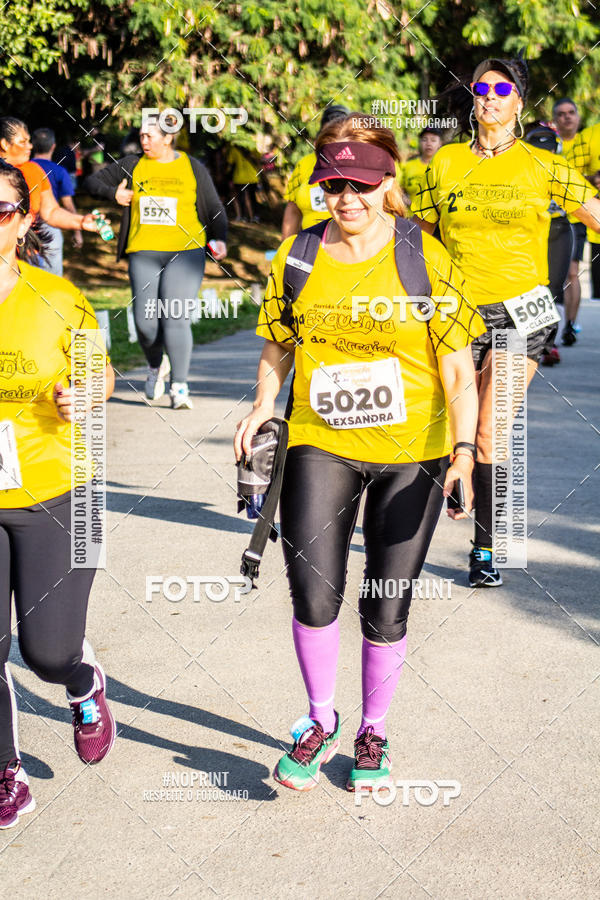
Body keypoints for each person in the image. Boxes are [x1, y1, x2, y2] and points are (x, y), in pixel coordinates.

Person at [234, 117, 485, 793]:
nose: (347, 198)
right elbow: (277, 345)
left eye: (362, 184)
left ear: (389, 184)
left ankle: (374, 729)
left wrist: (463, 451)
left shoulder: (424, 257)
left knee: (386, 601)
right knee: (315, 594)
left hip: (416, 453)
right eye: (334, 184)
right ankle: (320, 720)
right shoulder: (297, 256)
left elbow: (458, 366)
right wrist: (263, 404)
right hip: (322, 442)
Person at [414, 58, 600, 588]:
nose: (490, 96)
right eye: (481, 88)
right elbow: (419, 236)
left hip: (524, 312)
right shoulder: (445, 163)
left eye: (502, 89)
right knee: (454, 432)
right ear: (473, 100)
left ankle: (486, 549)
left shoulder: (542, 165)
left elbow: (594, 211)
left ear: (520, 101)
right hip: (455, 313)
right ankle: (445, 498)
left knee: (491, 430)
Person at [0, 161, 116, 828]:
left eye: (1, 210)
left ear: (22, 221)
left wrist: (83, 396)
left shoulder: (58, 297)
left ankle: (80, 682)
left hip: (61, 489)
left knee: (46, 651)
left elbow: (97, 375)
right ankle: (5, 772)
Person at [85, 113, 227, 410]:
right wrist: (115, 193)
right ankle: (155, 365)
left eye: (150, 136)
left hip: (185, 252)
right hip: (144, 251)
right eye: (142, 136)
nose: (144, 141)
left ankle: (179, 386)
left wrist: (220, 237)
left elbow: (214, 207)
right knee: (145, 323)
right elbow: (92, 181)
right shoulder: (133, 164)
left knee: (176, 316)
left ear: (168, 137)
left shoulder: (192, 167)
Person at [0, 117, 102, 265]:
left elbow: (51, 212)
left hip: (27, 260)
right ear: (4, 144)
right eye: (23, 142)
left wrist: (80, 222)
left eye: (29, 141)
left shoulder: (33, 171)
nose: (30, 146)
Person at [524, 123, 573, 367]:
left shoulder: (565, 169)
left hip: (560, 229)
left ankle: (550, 343)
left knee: (555, 286)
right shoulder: (521, 171)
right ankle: (534, 339)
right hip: (532, 231)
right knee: (534, 287)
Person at [281, 105, 350, 238]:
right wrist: (286, 248)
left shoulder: (358, 163)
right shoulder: (304, 164)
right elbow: (293, 211)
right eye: (331, 134)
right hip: (310, 245)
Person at [553, 98, 586, 345]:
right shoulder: (548, 144)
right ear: (555, 119)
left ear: (578, 117)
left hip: (578, 216)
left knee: (572, 273)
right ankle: (551, 330)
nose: (567, 117)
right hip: (550, 217)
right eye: (561, 114)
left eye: (571, 113)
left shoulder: (589, 144)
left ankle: (570, 326)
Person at [31, 127, 83, 276]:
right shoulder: (59, 171)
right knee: (51, 279)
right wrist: (77, 232)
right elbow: (68, 205)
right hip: (51, 226)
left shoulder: (22, 168)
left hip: (25, 227)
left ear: (32, 145)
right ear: (53, 146)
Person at [399, 127, 442, 209]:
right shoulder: (408, 166)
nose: (428, 143)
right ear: (419, 142)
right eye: (424, 140)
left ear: (440, 143)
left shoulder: (442, 167)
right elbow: (399, 190)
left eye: (433, 140)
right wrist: (407, 202)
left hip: (436, 219)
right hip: (410, 218)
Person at [226, 145, 260, 222]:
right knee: (252, 198)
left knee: (242, 198)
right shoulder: (251, 146)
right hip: (253, 177)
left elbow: (230, 163)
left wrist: (227, 174)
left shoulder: (233, 149)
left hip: (240, 178)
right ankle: (255, 216)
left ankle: (243, 216)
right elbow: (258, 157)